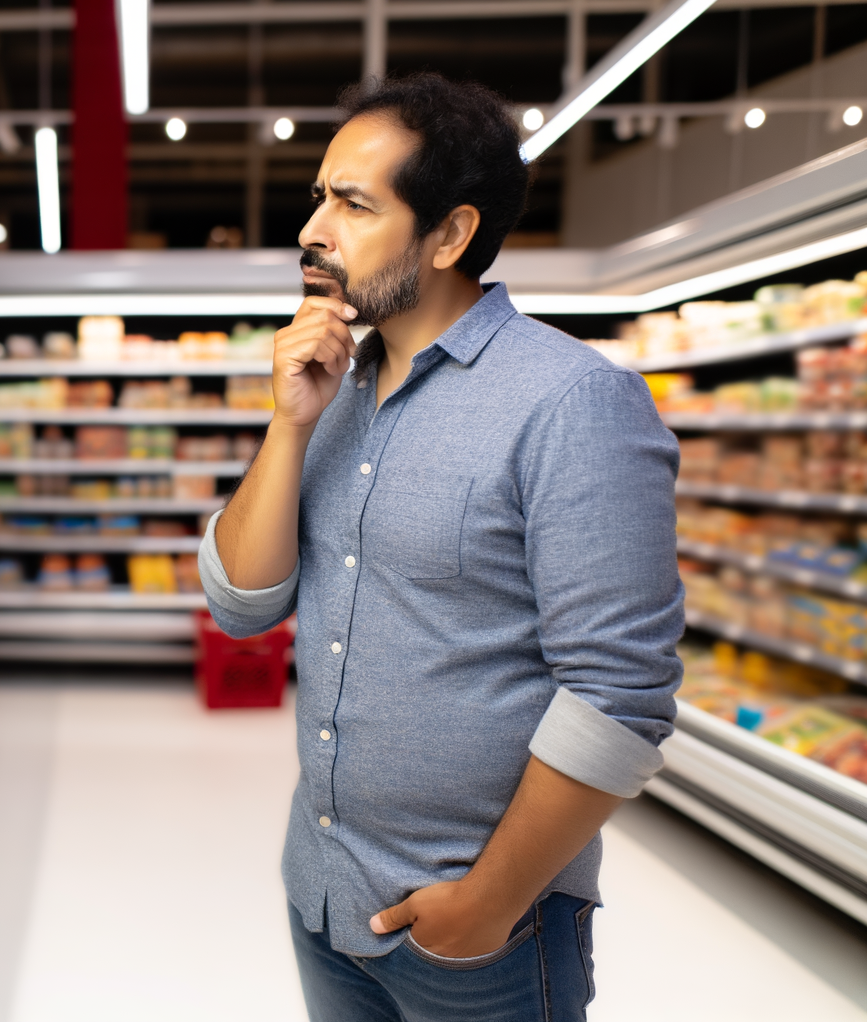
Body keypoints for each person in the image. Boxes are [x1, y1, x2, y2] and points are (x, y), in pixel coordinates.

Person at [199, 73, 682, 1021]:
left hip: (478, 938)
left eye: (353, 204)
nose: (313, 230)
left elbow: (620, 697)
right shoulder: (331, 383)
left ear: (451, 234)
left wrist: (484, 908)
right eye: (318, 198)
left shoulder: (572, 402)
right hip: (326, 892)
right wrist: (290, 424)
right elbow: (240, 605)